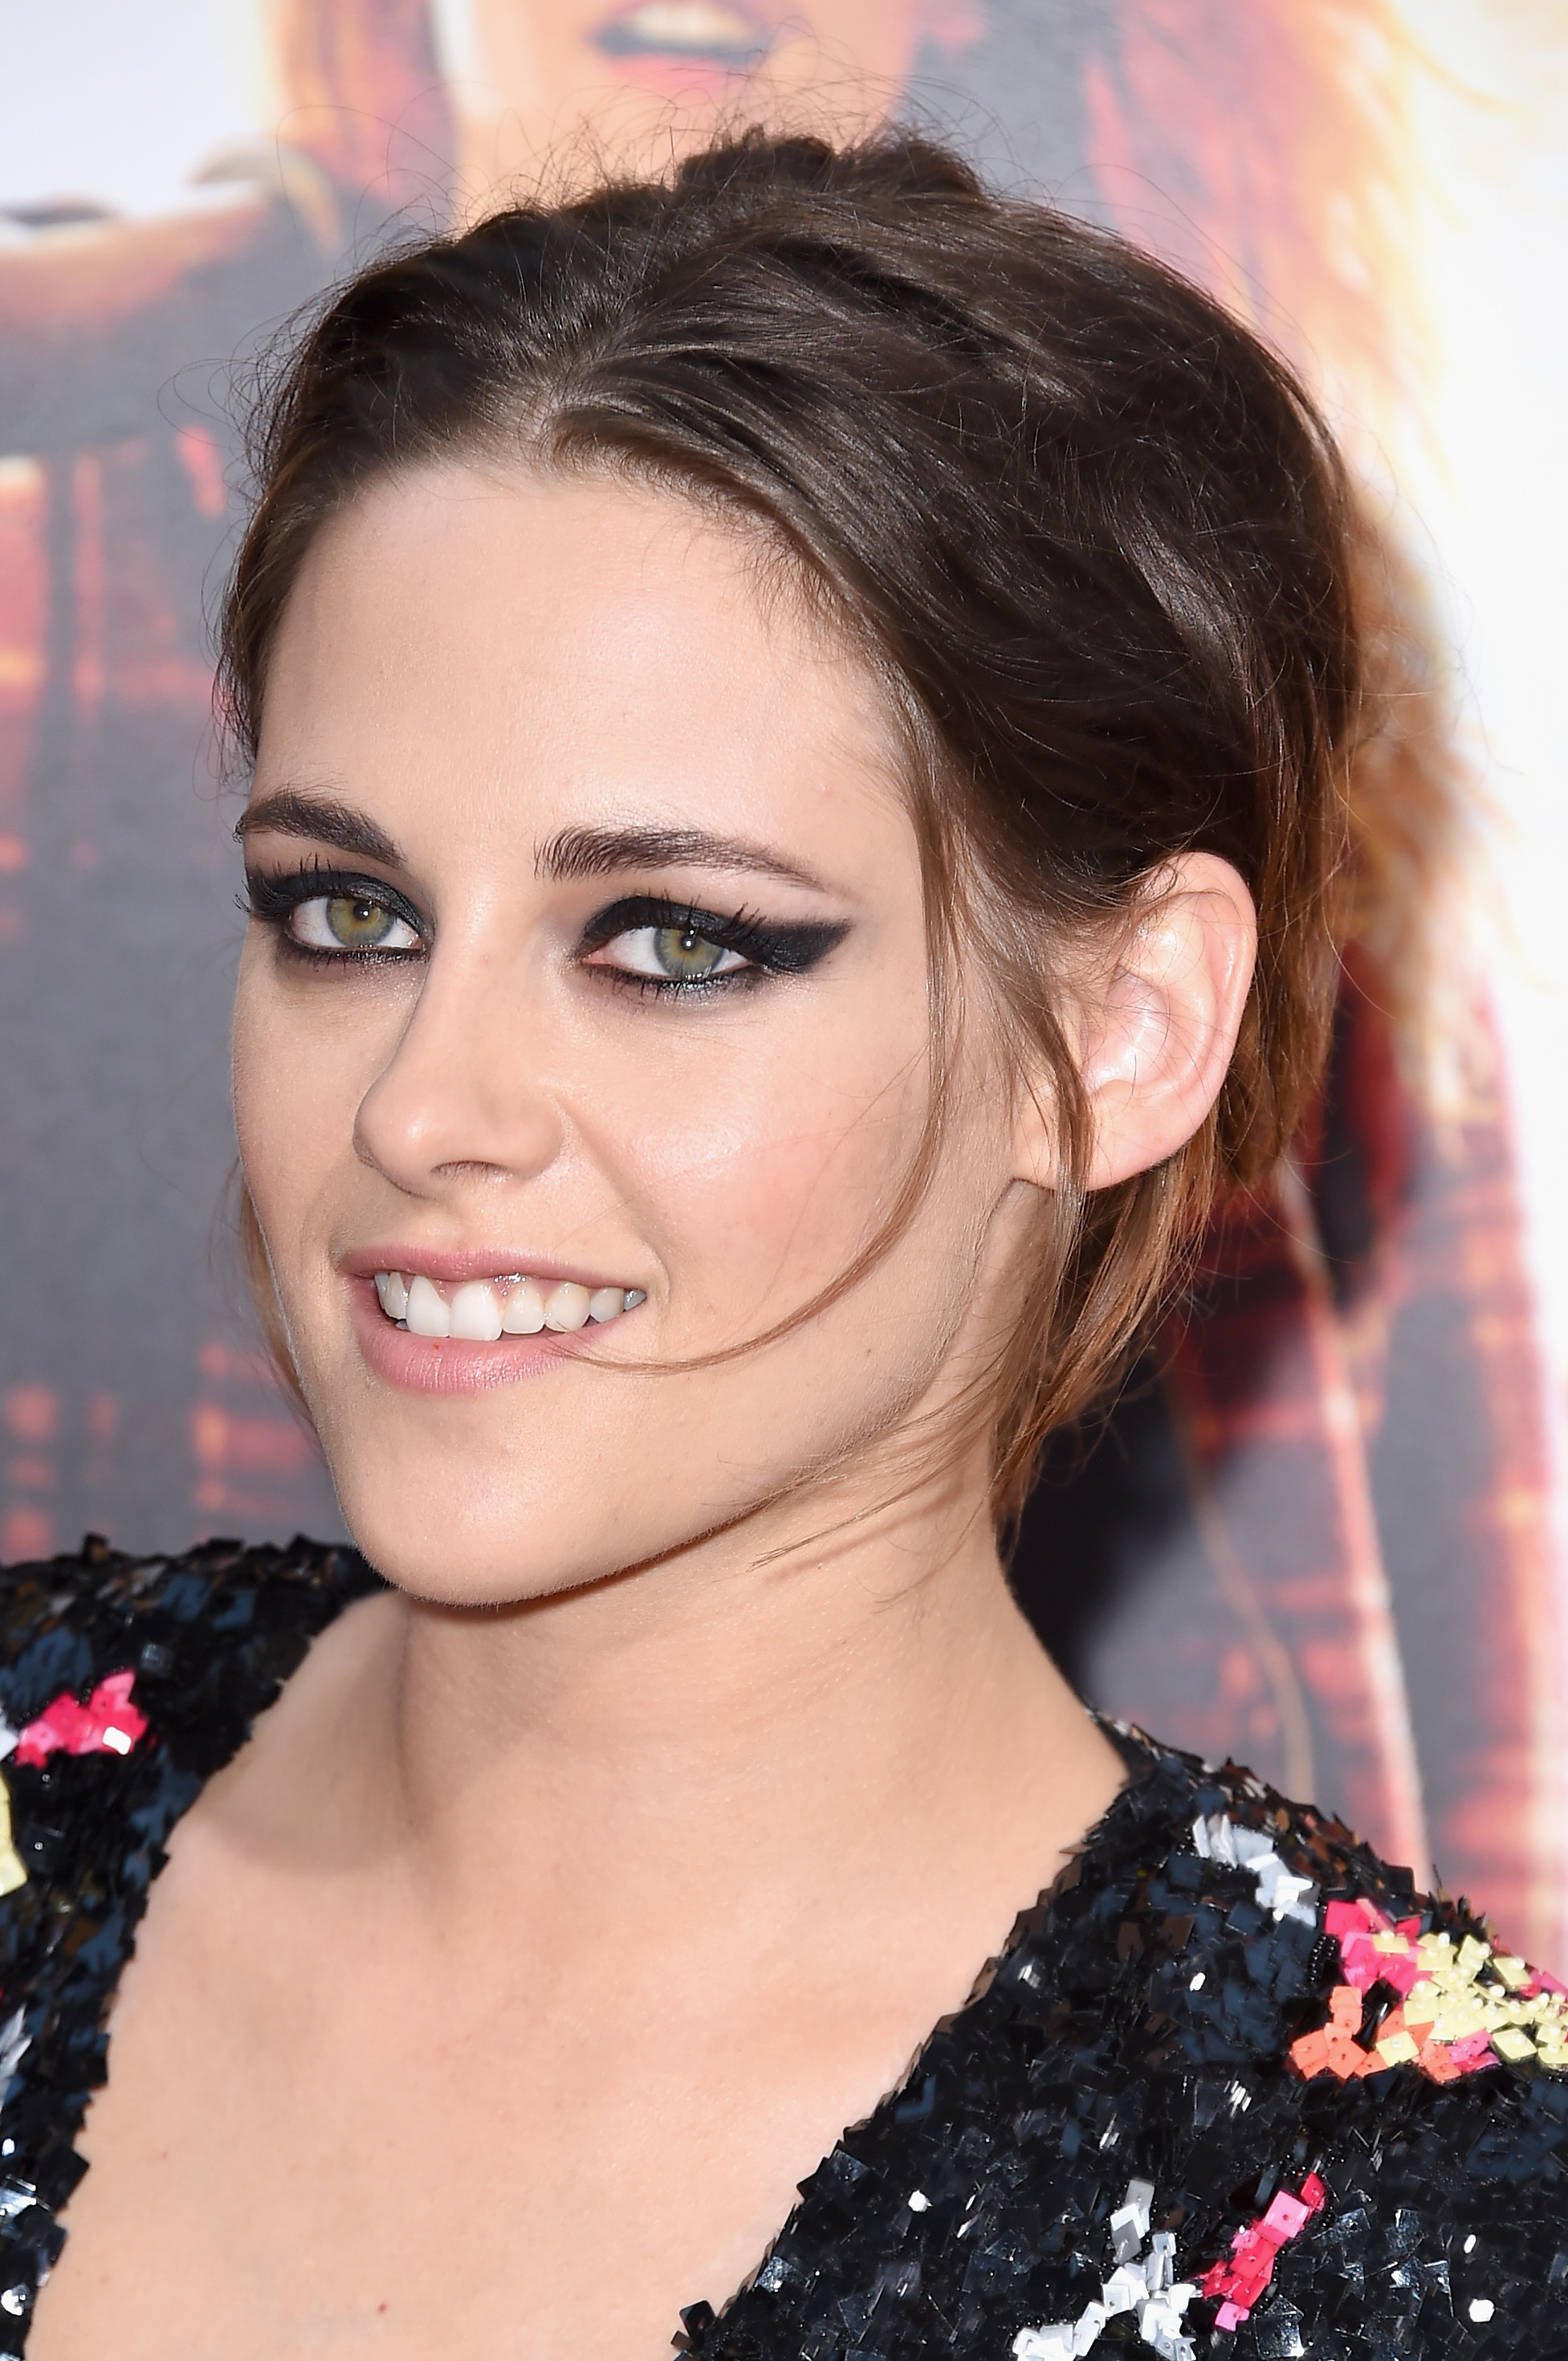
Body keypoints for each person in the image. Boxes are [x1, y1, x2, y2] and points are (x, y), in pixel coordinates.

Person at [2, 128, 1561, 2360]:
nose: (418, 1110)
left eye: (672, 941)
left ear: (1116, 1033)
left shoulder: (1406, 2231)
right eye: (346, 913)